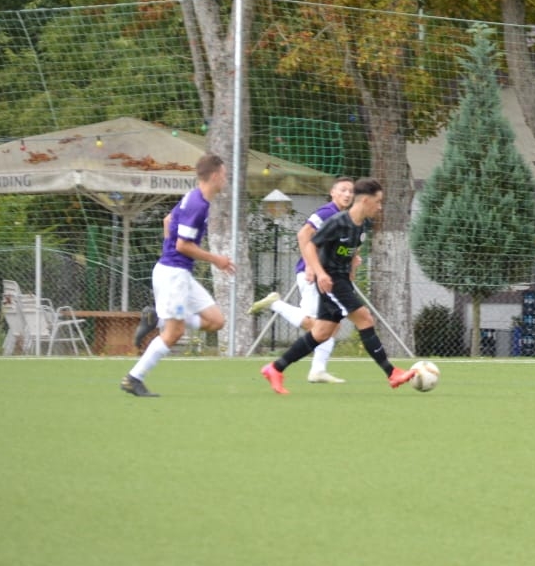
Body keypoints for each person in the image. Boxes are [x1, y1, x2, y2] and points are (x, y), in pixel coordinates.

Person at [259, 178, 416, 394]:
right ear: (365, 200)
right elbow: (311, 245)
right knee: (365, 319)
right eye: (378, 201)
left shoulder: (363, 225)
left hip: (342, 281)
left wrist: (352, 267)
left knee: (322, 333)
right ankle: (392, 373)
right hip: (331, 282)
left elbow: (353, 250)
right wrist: (320, 273)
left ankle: (275, 368)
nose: (380, 207)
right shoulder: (337, 222)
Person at [120, 153, 234, 397]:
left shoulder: (194, 197)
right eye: (224, 175)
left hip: (179, 273)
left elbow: (168, 220)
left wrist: (170, 253)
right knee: (175, 333)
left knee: (216, 321)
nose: (226, 179)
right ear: (215, 176)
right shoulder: (198, 205)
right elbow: (183, 245)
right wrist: (217, 260)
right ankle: (133, 378)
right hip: (173, 276)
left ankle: (158, 319)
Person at [247, 175, 356, 383]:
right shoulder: (327, 212)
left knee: (331, 326)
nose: (347, 194)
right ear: (332, 192)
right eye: (343, 190)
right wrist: (310, 265)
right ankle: (276, 305)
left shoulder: (344, 217)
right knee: (319, 326)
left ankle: (318, 370)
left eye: (351, 191)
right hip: (313, 275)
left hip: (326, 276)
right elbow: (303, 234)